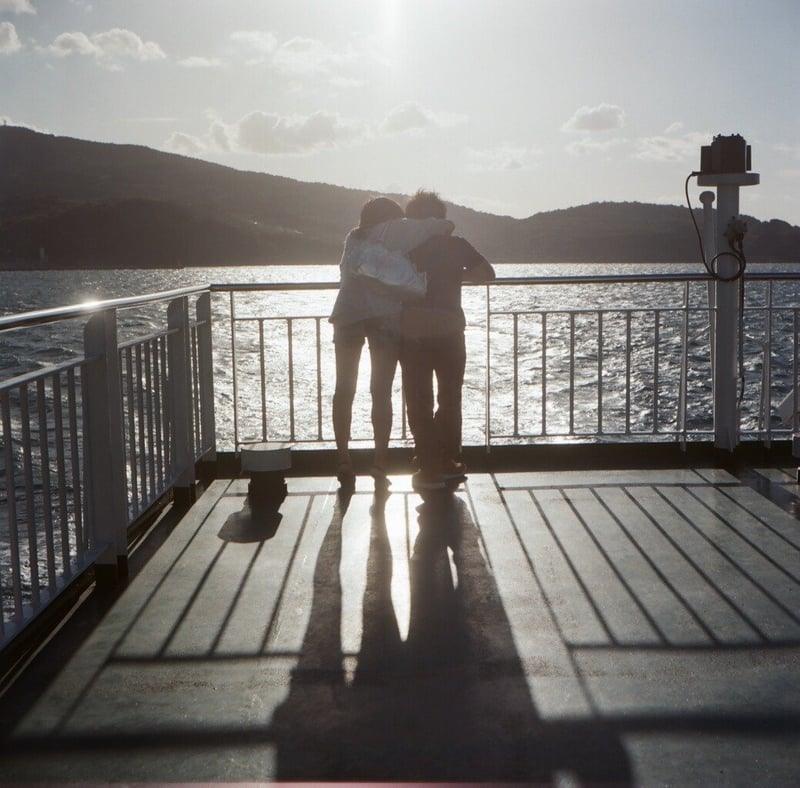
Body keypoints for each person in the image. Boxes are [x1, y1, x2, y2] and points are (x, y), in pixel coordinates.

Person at [329, 196, 454, 489]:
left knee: (344, 389)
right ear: (392, 218)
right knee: (381, 392)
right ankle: (379, 463)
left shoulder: (353, 237)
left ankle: (343, 459)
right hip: (384, 317)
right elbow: (445, 225)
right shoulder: (396, 232)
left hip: (347, 316)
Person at [400, 190, 495, 491]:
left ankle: (427, 463)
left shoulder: (403, 247)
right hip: (450, 332)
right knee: (449, 398)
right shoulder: (456, 246)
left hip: (412, 333)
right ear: (441, 218)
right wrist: (456, 274)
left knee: (418, 401)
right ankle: (447, 460)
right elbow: (487, 274)